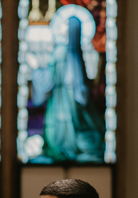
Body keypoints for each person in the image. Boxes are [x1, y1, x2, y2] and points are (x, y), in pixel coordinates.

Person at [42, 16, 104, 162]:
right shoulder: (59, 52)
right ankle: (63, 146)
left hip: (71, 102)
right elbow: (50, 80)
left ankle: (70, 146)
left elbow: (80, 84)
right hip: (60, 100)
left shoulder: (75, 52)